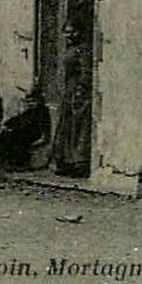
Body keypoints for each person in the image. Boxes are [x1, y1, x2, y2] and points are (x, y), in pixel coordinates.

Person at [53, 24, 93, 177]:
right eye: (67, 32)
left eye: (73, 31)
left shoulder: (82, 49)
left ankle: (78, 163)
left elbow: (86, 72)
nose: (69, 35)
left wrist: (80, 89)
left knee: (78, 128)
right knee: (67, 128)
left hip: (77, 93)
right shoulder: (70, 49)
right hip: (68, 92)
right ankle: (66, 162)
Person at [0, 83, 52, 171]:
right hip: (25, 132)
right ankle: (6, 163)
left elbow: (31, 124)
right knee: (6, 137)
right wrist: (7, 124)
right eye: (28, 102)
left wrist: (13, 129)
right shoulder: (29, 111)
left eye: (33, 101)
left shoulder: (41, 112)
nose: (30, 104)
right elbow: (18, 119)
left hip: (35, 134)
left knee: (15, 139)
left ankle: (19, 163)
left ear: (39, 101)